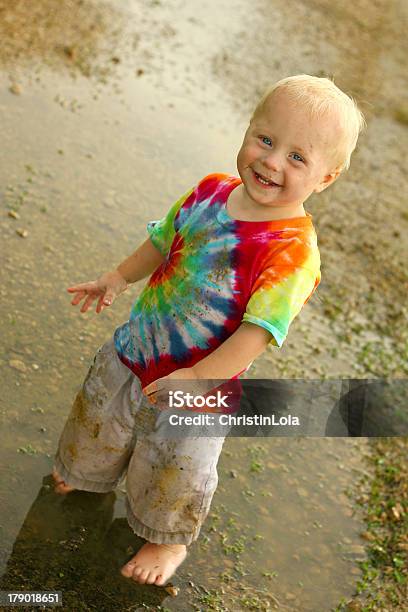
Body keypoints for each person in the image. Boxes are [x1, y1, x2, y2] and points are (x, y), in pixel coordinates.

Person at [52, 74, 366, 586]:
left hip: (200, 389)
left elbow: (257, 333)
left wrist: (198, 377)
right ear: (248, 131)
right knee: (100, 420)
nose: (271, 161)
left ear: (325, 179)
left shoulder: (291, 251)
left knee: (175, 469)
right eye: (266, 140)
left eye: (297, 157)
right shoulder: (211, 191)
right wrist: (117, 277)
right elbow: (163, 240)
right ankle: (88, 474)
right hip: (137, 348)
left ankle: (166, 540)